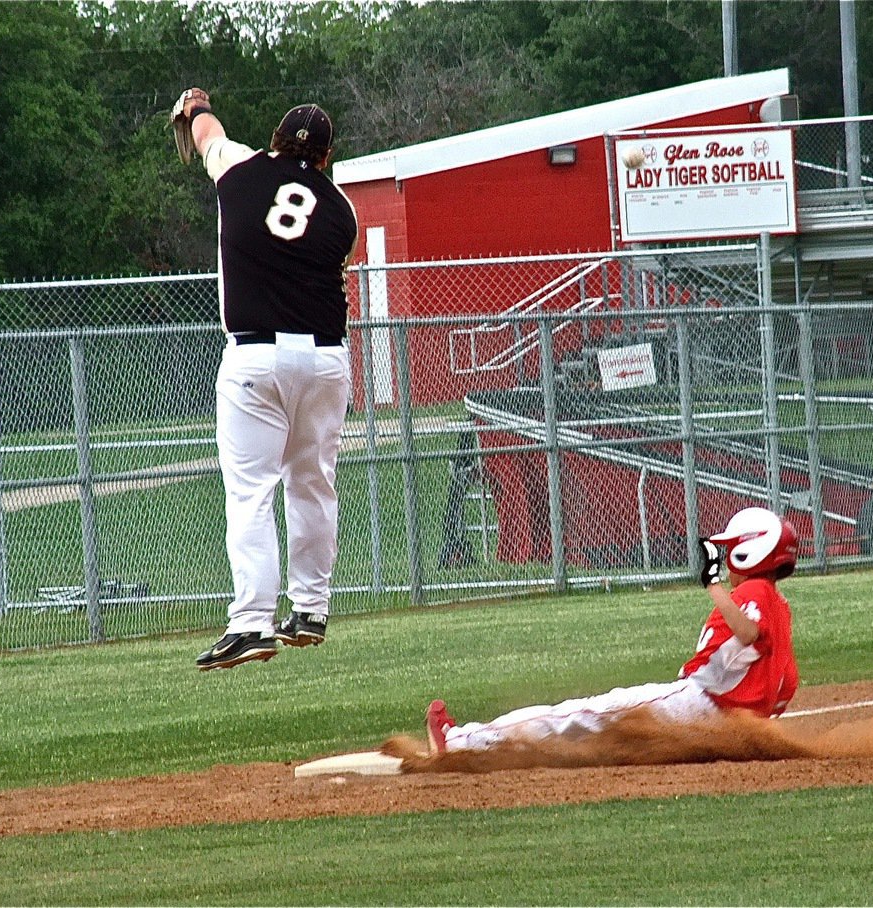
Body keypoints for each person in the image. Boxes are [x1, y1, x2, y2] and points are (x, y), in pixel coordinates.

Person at [173, 88, 359, 671]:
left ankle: (252, 622)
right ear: (325, 157)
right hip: (327, 361)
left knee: (251, 492)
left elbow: (207, 135)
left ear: (276, 140)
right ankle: (310, 609)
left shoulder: (240, 167)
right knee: (313, 483)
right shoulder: (343, 209)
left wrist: (195, 106)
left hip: (256, 357)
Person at [425, 506, 800, 753]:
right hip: (725, 723)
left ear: (748, 553)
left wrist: (712, 584)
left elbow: (748, 633)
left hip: (696, 701)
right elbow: (786, 687)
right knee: (604, 733)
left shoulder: (752, 590)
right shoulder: (780, 608)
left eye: (729, 551)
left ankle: (460, 741)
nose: (723, 562)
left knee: (580, 714)